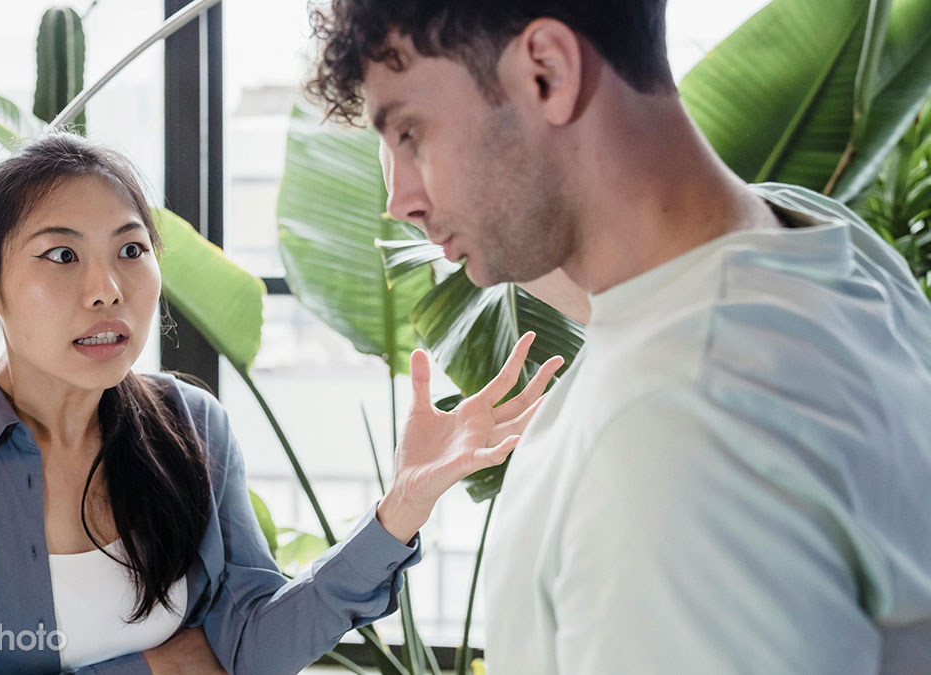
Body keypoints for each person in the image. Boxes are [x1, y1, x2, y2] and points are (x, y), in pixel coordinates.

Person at [306, 1, 931, 673]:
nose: (400, 200)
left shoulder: (670, 435)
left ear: (546, 72)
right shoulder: (817, 243)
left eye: (409, 133)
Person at [0, 131, 565, 674]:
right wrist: (156, 666)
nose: (107, 289)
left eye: (130, 250)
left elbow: (251, 642)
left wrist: (401, 505)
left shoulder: (191, 426)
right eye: (61, 255)